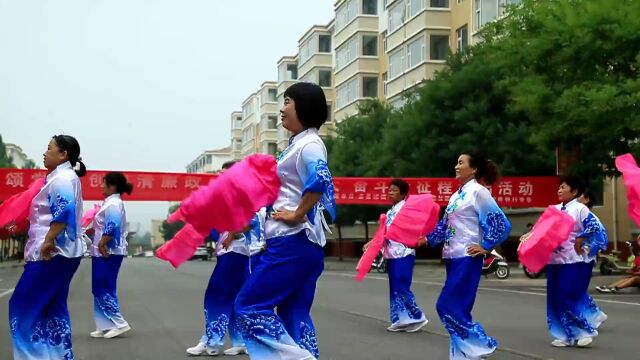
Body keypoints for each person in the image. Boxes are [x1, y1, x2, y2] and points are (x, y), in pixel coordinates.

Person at [234, 82, 335, 360]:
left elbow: (321, 177)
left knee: (249, 305)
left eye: (287, 101)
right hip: (301, 245)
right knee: (294, 311)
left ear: (303, 106)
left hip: (292, 242)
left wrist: (297, 213)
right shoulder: (297, 145)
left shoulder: (309, 145)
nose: (282, 109)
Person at [427, 152, 511, 360]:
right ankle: (463, 354)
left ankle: (481, 344)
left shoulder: (478, 192)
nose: (456, 166)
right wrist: (426, 239)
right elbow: (445, 225)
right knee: (459, 307)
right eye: (456, 162)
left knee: (446, 305)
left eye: (461, 162)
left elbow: (500, 223)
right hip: (452, 257)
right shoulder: (457, 195)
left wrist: (486, 246)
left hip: (467, 257)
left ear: (473, 169)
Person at [9, 135, 86, 360]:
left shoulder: (61, 178)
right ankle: (60, 355)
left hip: (50, 254)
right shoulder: (64, 177)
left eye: (49, 148)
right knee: (52, 309)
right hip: (65, 254)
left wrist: (49, 239)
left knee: (22, 306)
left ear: (63, 154)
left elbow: (63, 211)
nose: (44, 153)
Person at [187, 161, 267, 356]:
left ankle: (211, 342)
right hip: (234, 252)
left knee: (216, 295)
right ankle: (241, 340)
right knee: (233, 298)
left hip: (237, 251)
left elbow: (250, 221)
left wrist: (233, 233)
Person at [545, 175, 606, 348]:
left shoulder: (580, 209)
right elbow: (542, 228)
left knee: (566, 296)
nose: (560, 190)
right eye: (559, 187)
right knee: (554, 298)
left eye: (564, 187)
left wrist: (581, 238)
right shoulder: (554, 209)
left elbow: (594, 227)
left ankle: (585, 330)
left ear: (574, 191)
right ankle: (565, 335)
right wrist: (530, 236)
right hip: (554, 260)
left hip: (572, 260)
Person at [363, 179, 427, 332]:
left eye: (394, 190)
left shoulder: (407, 208)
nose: (390, 193)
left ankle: (417, 315)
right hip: (392, 254)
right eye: (389, 190)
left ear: (403, 194)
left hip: (403, 253)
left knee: (401, 286)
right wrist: (372, 243)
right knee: (395, 288)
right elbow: (384, 231)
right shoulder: (391, 211)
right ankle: (401, 319)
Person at [90, 172, 133, 339]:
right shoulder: (110, 203)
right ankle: (105, 324)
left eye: (104, 183)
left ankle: (120, 323)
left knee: (101, 287)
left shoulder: (113, 203)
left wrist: (102, 242)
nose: (101, 186)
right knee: (101, 287)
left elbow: (112, 224)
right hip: (102, 251)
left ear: (112, 186)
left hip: (108, 251)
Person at [575, 189, 608, 328]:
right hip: (580, 257)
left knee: (576, 289)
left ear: (586, 200)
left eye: (579, 196)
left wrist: (587, 248)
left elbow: (602, 239)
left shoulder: (588, 215)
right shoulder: (580, 214)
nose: (576, 198)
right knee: (576, 289)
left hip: (584, 258)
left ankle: (594, 315)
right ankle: (593, 315)